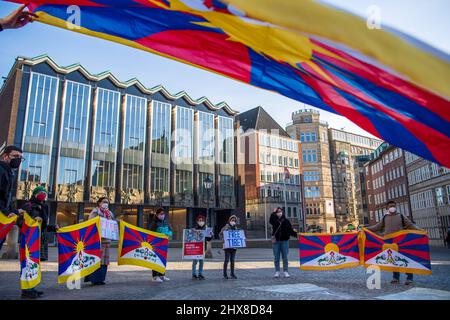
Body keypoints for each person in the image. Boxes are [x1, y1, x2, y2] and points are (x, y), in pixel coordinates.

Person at [367, 200, 420, 285]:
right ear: (387, 207)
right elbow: (377, 227)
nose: (392, 207)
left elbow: (410, 225)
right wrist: (366, 229)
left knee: (405, 259)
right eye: (391, 206)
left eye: (394, 206)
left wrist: (420, 231)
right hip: (390, 242)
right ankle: (395, 278)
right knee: (393, 260)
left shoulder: (401, 216)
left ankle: (409, 278)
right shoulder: (385, 217)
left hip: (401, 242)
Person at [18, 185, 58, 299]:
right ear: (35, 194)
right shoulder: (28, 205)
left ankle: (32, 287)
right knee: (27, 264)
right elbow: (20, 221)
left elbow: (43, 226)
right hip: (29, 239)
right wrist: (33, 221)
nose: (43, 194)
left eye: (45, 193)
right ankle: (26, 290)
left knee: (35, 264)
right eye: (40, 192)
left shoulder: (44, 207)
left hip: (39, 240)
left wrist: (53, 227)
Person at [85, 197, 115, 285]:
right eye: (104, 202)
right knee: (96, 259)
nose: (106, 203)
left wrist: (109, 218)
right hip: (97, 240)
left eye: (107, 202)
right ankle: (94, 279)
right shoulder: (95, 212)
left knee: (104, 261)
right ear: (99, 203)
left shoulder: (110, 213)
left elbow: (112, 225)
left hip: (106, 240)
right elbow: (91, 224)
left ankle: (100, 279)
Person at [0, 145, 25, 251]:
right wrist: (6, 211)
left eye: (20, 158)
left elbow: (5, 197)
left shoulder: (10, 172)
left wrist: (13, 211)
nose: (18, 160)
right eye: (15, 156)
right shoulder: (1, 170)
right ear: (6, 156)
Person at [269, 207, 298, 278]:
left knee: (285, 257)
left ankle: (286, 271)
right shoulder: (274, 220)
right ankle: (277, 271)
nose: (279, 213)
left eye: (280, 211)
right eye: (278, 212)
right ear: (276, 213)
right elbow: (271, 220)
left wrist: (297, 235)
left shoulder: (286, 221)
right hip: (276, 241)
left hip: (284, 241)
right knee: (276, 257)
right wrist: (273, 212)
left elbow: (290, 230)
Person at [149, 208, 172, 283]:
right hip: (156, 244)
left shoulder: (165, 222)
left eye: (163, 214)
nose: (162, 215)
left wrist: (168, 234)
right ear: (157, 214)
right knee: (156, 260)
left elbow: (170, 230)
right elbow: (150, 233)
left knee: (163, 259)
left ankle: (162, 274)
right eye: (161, 214)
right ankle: (155, 276)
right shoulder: (154, 223)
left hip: (164, 244)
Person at [191, 215, 212, 280]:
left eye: (202, 220)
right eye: (199, 220)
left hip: (203, 247)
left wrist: (211, 235)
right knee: (195, 261)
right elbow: (190, 237)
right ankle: (194, 274)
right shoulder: (194, 228)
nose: (201, 222)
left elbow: (208, 239)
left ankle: (200, 274)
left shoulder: (206, 229)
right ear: (197, 221)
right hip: (196, 247)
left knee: (201, 261)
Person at [219, 215, 239, 279]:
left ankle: (232, 273)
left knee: (232, 260)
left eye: (234, 220)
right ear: (229, 220)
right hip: (227, 247)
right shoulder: (225, 227)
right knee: (226, 260)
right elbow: (220, 234)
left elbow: (238, 236)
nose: (233, 221)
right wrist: (223, 239)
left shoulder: (236, 228)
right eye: (232, 220)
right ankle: (225, 274)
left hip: (233, 247)